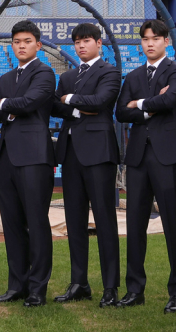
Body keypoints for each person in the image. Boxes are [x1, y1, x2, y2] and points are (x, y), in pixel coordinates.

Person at [116, 19, 176, 313]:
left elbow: (172, 99)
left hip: (166, 154)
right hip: (137, 156)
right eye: (145, 39)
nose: (150, 43)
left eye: (155, 38)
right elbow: (122, 111)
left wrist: (139, 104)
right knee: (134, 224)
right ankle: (134, 289)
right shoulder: (134, 75)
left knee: (173, 223)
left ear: (165, 42)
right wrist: (148, 104)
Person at [51, 23, 121, 307]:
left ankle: (111, 286)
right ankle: (79, 282)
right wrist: (81, 105)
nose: (81, 46)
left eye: (86, 40)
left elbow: (103, 102)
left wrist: (71, 102)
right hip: (70, 154)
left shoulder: (110, 72)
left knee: (104, 220)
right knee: (74, 221)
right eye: (77, 42)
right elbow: (55, 106)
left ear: (99, 43)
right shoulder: (67, 76)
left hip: (99, 153)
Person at [0, 20, 57, 308]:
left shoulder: (45, 72)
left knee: (37, 223)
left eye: (27, 41)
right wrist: (6, 106)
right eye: (16, 41)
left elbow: (29, 103)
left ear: (38, 45)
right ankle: (16, 285)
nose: (21, 45)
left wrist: (6, 106)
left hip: (34, 156)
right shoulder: (5, 78)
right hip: (6, 159)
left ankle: (37, 288)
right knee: (12, 225)